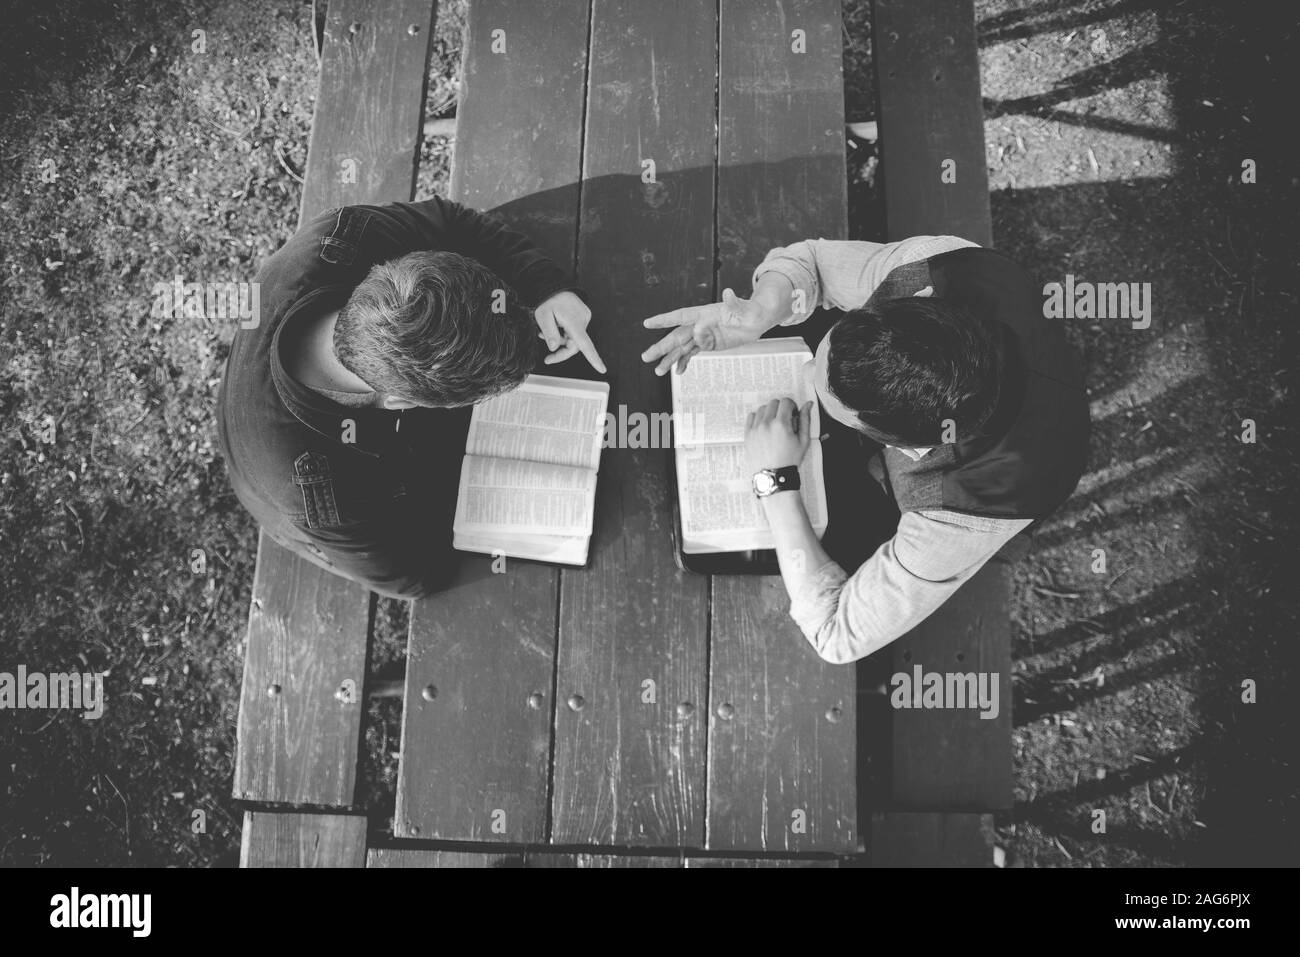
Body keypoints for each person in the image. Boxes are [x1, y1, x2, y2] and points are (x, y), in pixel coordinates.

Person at [640, 236, 1088, 663]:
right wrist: (762, 309)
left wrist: (775, 485)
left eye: (823, 386)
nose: (809, 363)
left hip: (1027, 460)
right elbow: (812, 260)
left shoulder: (960, 517)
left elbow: (836, 635)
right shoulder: (938, 263)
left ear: (886, 439)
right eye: (827, 347)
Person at [217, 197, 603, 599]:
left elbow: (455, 222)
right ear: (400, 404)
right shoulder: (321, 492)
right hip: (285, 496)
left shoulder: (351, 237)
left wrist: (546, 287)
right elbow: (414, 577)